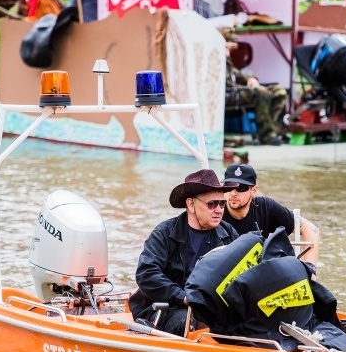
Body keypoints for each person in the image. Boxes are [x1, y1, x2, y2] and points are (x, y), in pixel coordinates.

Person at [128, 169, 239, 336]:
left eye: (222, 204)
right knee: (189, 322)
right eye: (212, 204)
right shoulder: (164, 233)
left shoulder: (228, 233)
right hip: (165, 308)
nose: (219, 210)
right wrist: (183, 297)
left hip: (211, 308)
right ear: (191, 205)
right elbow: (147, 274)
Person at [221, 163, 320, 267]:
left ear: (254, 191)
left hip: (256, 271)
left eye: (241, 188)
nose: (233, 193)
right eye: (228, 187)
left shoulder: (265, 207)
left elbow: (310, 229)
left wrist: (310, 269)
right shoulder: (216, 211)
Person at [224, 31, 288, 146]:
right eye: (230, 41)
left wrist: (251, 78)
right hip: (227, 95)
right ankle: (266, 135)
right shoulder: (214, 56)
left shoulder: (227, 59)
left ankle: (275, 130)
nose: (234, 45)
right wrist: (222, 51)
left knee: (279, 91)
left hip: (235, 91)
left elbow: (238, 74)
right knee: (260, 92)